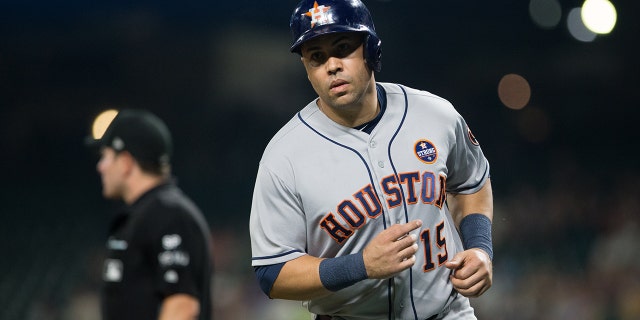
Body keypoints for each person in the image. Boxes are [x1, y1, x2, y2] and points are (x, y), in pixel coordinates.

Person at [249, 0, 494, 319]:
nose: (332, 66)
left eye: (342, 48)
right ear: (307, 70)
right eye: (317, 57)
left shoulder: (436, 115)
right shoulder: (283, 157)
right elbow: (272, 273)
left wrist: (479, 247)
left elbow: (471, 183)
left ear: (372, 50)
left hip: (448, 312)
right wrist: (359, 266)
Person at [87, 109, 213, 320]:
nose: (100, 167)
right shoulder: (143, 215)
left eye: (105, 156)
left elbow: (181, 306)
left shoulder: (168, 214)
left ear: (126, 162)